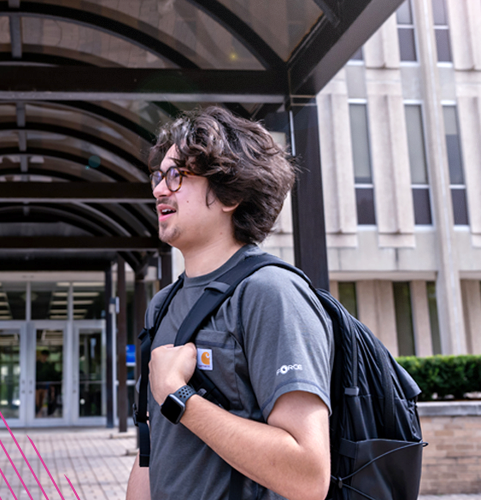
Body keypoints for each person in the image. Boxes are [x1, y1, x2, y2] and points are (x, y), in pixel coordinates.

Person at [125, 107, 334, 500]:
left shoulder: (271, 293)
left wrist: (177, 394)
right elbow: (153, 448)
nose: (159, 190)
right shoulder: (164, 305)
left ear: (230, 194)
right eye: (158, 175)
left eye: (177, 175)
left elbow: (308, 475)